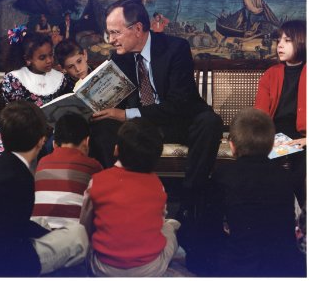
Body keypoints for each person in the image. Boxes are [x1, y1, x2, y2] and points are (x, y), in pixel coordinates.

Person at [90, 0, 223, 222]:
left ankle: (189, 204)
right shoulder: (118, 58)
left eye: (115, 33)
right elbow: (117, 100)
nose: (111, 40)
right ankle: (115, 198)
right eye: (109, 33)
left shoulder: (176, 48)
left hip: (178, 120)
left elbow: (179, 103)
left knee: (210, 122)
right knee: (102, 125)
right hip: (142, 127)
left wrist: (126, 115)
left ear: (138, 29)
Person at [0, 101, 89, 277]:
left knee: (43, 225)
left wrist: (47, 235)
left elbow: (10, 223)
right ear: (41, 141)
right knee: (77, 234)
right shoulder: (17, 176)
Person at [189, 108, 306, 277]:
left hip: (238, 265)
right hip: (282, 265)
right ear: (271, 144)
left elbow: (210, 225)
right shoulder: (285, 176)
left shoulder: (223, 174)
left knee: (197, 251)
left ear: (232, 146)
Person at [80, 118, 180, 277]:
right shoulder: (157, 185)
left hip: (103, 267)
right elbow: (158, 225)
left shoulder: (97, 181)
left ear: (116, 150)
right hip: (149, 269)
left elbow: (85, 224)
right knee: (169, 228)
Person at [0, 32, 73, 160]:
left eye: (50, 55)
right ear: (28, 59)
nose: (49, 60)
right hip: (19, 129)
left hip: (49, 131)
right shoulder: (15, 78)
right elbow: (16, 114)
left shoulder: (60, 78)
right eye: (42, 58)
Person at [254, 20, 306, 207]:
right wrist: (266, 139)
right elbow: (260, 114)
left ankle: (300, 219)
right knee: (263, 163)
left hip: (302, 136)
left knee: (303, 163)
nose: (280, 45)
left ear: (302, 41)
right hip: (275, 135)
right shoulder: (271, 74)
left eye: (288, 40)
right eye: (279, 40)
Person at [31, 113, 103, 229]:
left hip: (39, 238)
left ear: (54, 144)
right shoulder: (93, 166)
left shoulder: (42, 163)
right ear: (87, 141)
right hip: (73, 240)